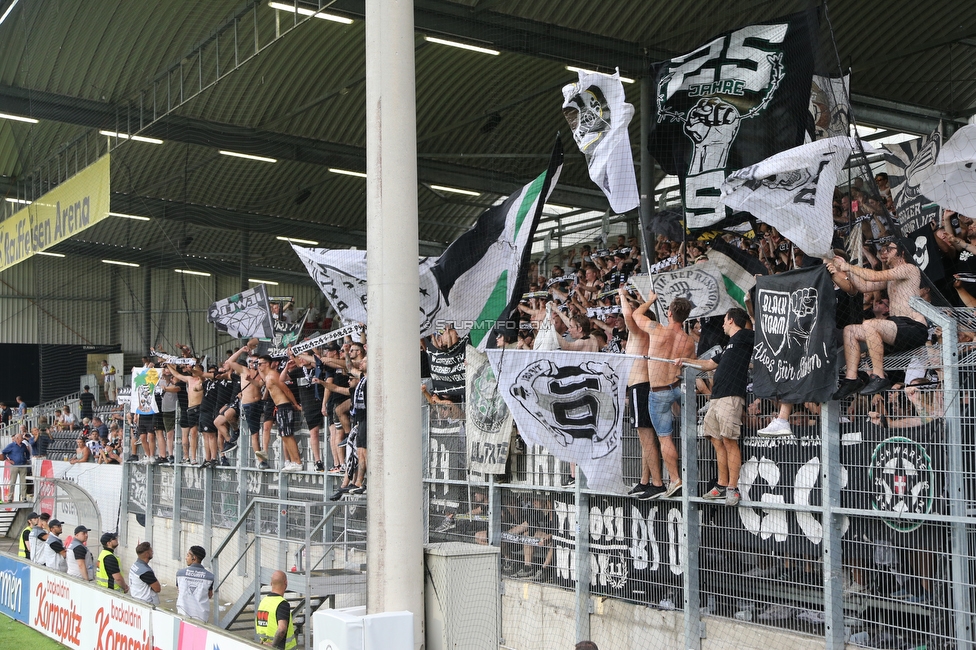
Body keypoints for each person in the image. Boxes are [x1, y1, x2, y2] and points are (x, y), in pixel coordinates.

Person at [832, 240, 929, 398]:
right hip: (897, 327)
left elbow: (875, 275)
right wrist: (845, 269)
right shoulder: (892, 276)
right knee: (850, 330)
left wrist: (848, 267)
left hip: (914, 327)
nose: (884, 252)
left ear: (902, 253)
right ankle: (851, 379)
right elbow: (863, 287)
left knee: (870, 324)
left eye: (889, 249)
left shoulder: (909, 268)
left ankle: (879, 376)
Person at [676, 307, 753, 506]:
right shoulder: (729, 345)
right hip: (716, 397)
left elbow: (753, 322)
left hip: (731, 396)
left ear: (731, 320)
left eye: (724, 320)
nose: (722, 324)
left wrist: (748, 305)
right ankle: (721, 483)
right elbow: (708, 364)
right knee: (715, 439)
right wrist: (685, 361)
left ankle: (732, 488)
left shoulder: (745, 336)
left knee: (729, 441)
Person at [632, 292, 696, 498]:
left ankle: (675, 479)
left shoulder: (657, 330)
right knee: (681, 434)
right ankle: (678, 477)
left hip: (659, 391)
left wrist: (650, 299)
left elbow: (636, 314)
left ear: (668, 313)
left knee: (665, 438)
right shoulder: (688, 341)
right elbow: (690, 366)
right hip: (676, 387)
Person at [256, 355, 304, 471]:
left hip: (284, 406)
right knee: (284, 435)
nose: (258, 366)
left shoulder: (273, 375)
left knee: (288, 435)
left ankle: (297, 461)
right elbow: (261, 378)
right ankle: (293, 461)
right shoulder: (268, 376)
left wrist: (295, 404)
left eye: (260, 364)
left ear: (267, 364)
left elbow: (285, 389)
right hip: (280, 407)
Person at [255, 570, 296, 649]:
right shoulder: (282, 604)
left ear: (271, 584)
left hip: (263, 645)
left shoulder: (263, 602)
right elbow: (282, 629)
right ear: (286, 583)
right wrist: (273, 646)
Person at [177, 545, 214, 622]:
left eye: (188, 555)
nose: (186, 558)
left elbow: (179, 591)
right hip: (201, 617)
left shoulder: (180, 574)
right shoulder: (210, 577)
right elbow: (209, 595)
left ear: (194, 558)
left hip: (183, 615)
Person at [0, 429, 32, 502]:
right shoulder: (11, 445)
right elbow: (3, 453)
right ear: (17, 438)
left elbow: (27, 453)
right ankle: (10, 498)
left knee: (23, 482)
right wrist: (8, 460)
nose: (22, 439)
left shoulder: (23, 445)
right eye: (21, 437)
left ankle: (24, 497)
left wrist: (26, 459)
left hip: (23, 465)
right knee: (12, 482)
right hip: (14, 466)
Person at [128, 542, 162, 606]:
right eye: (151, 551)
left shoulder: (135, 565)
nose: (152, 552)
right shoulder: (145, 571)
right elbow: (157, 589)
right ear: (147, 554)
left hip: (136, 599)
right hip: (146, 603)